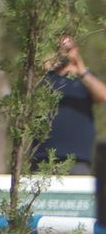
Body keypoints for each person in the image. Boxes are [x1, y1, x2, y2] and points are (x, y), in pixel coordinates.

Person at [34, 35, 106, 174]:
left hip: (77, 159)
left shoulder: (85, 80)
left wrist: (82, 71)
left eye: (67, 49)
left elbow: (103, 96)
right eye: (59, 49)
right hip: (42, 157)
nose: (63, 53)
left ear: (76, 50)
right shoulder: (45, 79)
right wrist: (43, 67)